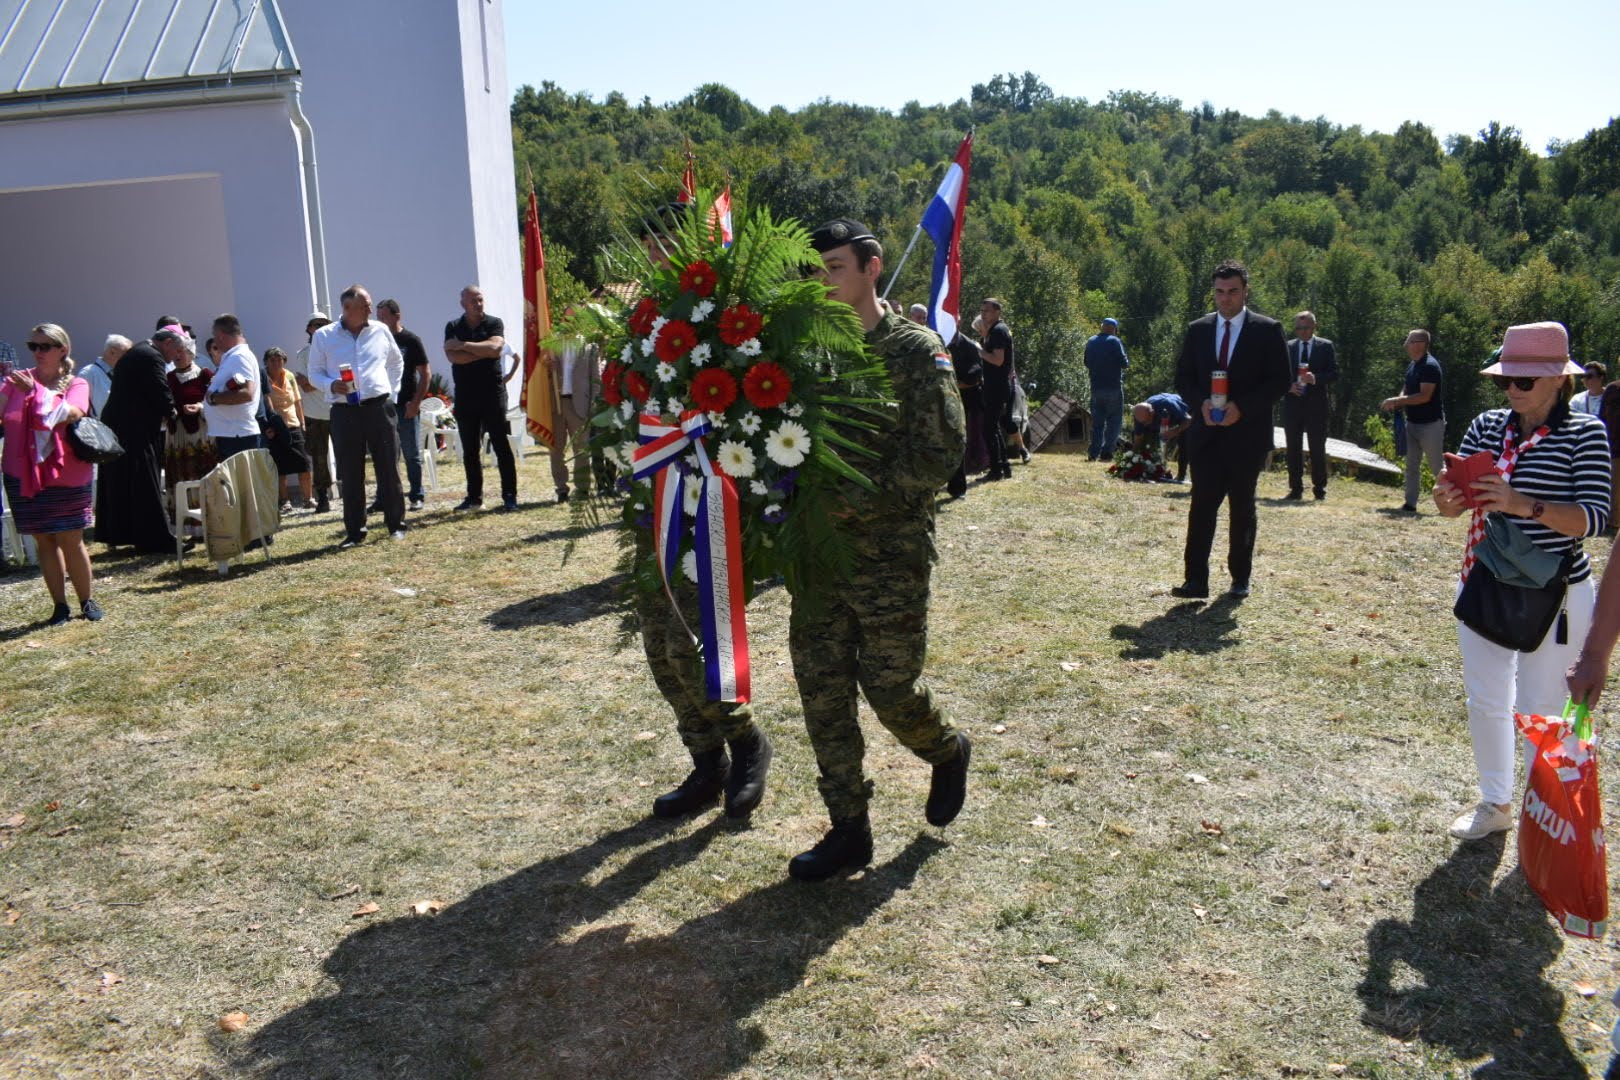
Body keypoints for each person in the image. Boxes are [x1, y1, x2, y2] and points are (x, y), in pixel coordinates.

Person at [784, 218, 971, 882]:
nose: (823, 281)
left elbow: (944, 452)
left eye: (833, 267)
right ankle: (848, 829)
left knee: (889, 688)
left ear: (871, 268)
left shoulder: (916, 351)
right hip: (819, 557)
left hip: (890, 554)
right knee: (821, 688)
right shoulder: (808, 355)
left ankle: (945, 750)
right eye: (815, 270)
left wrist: (856, 499)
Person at [1431, 321, 1610, 840]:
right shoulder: (1487, 425)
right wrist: (1449, 501)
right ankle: (1496, 803)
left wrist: (1521, 504)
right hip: (1487, 579)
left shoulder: (1586, 433)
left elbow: (1596, 519)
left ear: (1558, 381)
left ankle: (1541, 816)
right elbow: (1452, 502)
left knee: (1539, 710)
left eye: (1525, 381)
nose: (1512, 389)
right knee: (1485, 699)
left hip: (1557, 595)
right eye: (1506, 379)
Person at [630, 202, 774, 826]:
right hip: (657, 500)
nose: (656, 258)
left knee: (697, 640)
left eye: (663, 245)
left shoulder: (723, 313)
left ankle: (746, 744)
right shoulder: (647, 324)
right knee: (660, 647)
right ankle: (704, 758)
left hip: (710, 503)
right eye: (650, 248)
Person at [1171, 259, 1290, 600]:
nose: (1225, 299)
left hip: (1247, 436)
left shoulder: (1267, 330)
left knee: (1242, 508)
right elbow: (1183, 377)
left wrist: (1243, 407)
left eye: (1232, 291)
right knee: (1201, 507)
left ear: (1245, 291)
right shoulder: (1199, 329)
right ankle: (1196, 580)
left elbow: (1280, 380)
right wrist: (1201, 404)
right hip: (1206, 434)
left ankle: (1240, 579)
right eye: (1220, 292)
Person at [1, 324, 101, 623]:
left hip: (66, 473)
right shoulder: (15, 382)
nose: (38, 352)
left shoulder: (76, 383)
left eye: (45, 346)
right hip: (22, 473)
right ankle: (59, 606)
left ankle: (87, 601)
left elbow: (74, 412)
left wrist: (35, 393)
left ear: (63, 350)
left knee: (71, 539)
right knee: (44, 540)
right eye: (33, 346)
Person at [309, 284, 406, 548]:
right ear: (347, 308)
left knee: (388, 467)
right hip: (344, 411)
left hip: (379, 408)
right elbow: (314, 373)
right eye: (364, 305)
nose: (370, 310)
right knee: (350, 473)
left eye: (369, 305)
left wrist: (392, 394)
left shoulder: (380, 330)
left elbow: (397, 362)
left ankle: (396, 524)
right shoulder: (324, 336)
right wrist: (331, 385)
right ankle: (355, 531)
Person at [96, 328, 176, 553]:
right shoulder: (151, 356)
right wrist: (172, 413)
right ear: (167, 343)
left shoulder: (140, 352)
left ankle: (124, 533)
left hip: (124, 426)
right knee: (143, 481)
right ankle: (155, 539)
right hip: (134, 429)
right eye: (176, 350)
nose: (175, 356)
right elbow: (160, 389)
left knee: (123, 482)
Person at [444, 285, 518, 512]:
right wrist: (480, 351)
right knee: (470, 449)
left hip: (492, 393)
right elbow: (453, 356)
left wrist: (464, 346)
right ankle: (474, 497)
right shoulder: (453, 326)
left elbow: (496, 349)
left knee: (500, 443)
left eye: (480, 300)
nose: (478, 304)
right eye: (473, 301)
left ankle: (509, 495)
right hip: (466, 395)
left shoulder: (494, 323)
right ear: (463, 304)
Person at [376, 299, 431, 511]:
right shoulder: (376, 340)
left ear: (397, 316)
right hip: (382, 405)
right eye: (378, 317)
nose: (379, 321)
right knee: (385, 455)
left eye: (384, 317)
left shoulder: (410, 340)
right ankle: (384, 498)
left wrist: (416, 403)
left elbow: (425, 373)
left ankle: (416, 495)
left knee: (411, 454)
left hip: (406, 404)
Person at [1381, 329, 1444, 513]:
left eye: (1409, 342)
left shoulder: (1430, 366)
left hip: (1431, 424)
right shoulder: (1413, 365)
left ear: (1420, 344)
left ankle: (1450, 503)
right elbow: (1407, 387)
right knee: (1411, 465)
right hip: (1413, 423)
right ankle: (1410, 504)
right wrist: (1399, 400)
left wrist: (1398, 401)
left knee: (1437, 467)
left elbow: (1424, 396)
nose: (1406, 346)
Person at [163, 330, 218, 535]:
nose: (178, 356)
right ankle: (185, 527)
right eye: (175, 352)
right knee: (181, 477)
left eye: (182, 351)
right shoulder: (168, 378)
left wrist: (200, 407)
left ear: (191, 353)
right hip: (177, 437)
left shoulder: (205, 375)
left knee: (202, 475)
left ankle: (208, 525)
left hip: (200, 435)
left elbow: (215, 401)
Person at [1282, 311, 1339, 501]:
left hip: (1317, 405)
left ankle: (1319, 488)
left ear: (1314, 327)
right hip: (1293, 404)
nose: (1302, 331)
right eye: (1298, 328)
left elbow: (1334, 373)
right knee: (1293, 447)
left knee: (1317, 447)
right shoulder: (1288, 347)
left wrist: (1317, 379)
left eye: (1305, 328)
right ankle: (1295, 488)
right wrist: (1288, 386)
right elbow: (1276, 374)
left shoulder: (1325, 346)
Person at [547, 321, 600, 504]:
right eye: (567, 320)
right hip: (557, 403)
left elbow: (595, 380)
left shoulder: (590, 347)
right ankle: (561, 489)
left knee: (582, 449)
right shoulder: (551, 345)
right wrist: (548, 368)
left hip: (580, 404)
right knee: (556, 449)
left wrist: (593, 406)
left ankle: (583, 489)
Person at [290, 312, 335, 513]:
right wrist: (330, 382)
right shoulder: (304, 354)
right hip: (315, 413)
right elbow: (305, 387)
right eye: (317, 324)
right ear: (309, 328)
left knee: (348, 454)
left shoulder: (335, 351)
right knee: (318, 458)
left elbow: (311, 382)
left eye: (325, 324)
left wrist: (317, 380)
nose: (321, 327)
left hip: (337, 409)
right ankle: (323, 497)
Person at [202, 314, 262, 461]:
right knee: (236, 484)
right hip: (233, 435)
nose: (214, 341)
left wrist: (213, 398)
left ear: (221, 335)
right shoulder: (234, 356)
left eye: (215, 336)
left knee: (242, 484)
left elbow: (247, 394)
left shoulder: (239, 357)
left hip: (237, 437)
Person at [263, 347, 313, 509]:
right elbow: (263, 403)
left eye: (279, 360)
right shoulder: (263, 377)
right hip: (275, 427)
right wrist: (268, 426)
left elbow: (297, 401)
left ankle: (308, 499)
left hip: (293, 424)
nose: (276, 363)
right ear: (266, 362)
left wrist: (302, 422)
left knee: (304, 464)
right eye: (272, 360)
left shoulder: (290, 375)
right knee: (279, 467)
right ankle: (285, 501)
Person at [945, 330, 985, 499]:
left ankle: (957, 488)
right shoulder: (938, 340)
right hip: (940, 399)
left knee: (958, 440)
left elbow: (975, 374)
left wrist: (956, 384)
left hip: (965, 401)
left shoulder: (968, 345)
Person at [976, 298, 1014, 481]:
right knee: (993, 428)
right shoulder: (993, 331)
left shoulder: (999, 331)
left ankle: (996, 470)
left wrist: (979, 350)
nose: (983, 314)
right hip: (994, 386)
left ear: (997, 312)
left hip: (997, 387)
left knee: (989, 429)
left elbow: (998, 360)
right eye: (982, 311)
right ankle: (1003, 467)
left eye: (987, 311)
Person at [1084, 317, 1129, 461]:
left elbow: (1086, 362)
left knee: (1097, 424)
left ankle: (1093, 453)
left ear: (1102, 326)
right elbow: (1124, 363)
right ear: (1114, 329)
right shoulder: (1114, 341)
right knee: (1114, 422)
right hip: (1114, 388)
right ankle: (1107, 452)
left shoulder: (1091, 341)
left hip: (1096, 388)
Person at [1130, 393, 1191, 481]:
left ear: (1152, 413)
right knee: (1144, 437)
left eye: (1146, 421)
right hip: (1161, 420)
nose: (1144, 424)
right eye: (1142, 422)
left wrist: (1174, 431)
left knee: (1184, 440)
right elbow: (1138, 438)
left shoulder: (1170, 405)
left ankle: (1181, 474)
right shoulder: (1140, 414)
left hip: (1182, 416)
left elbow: (1188, 420)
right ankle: (1150, 468)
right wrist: (1132, 458)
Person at [81, 335, 129, 417]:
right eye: (125, 355)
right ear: (112, 352)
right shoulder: (88, 373)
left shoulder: (120, 376)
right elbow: (81, 407)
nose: (128, 360)